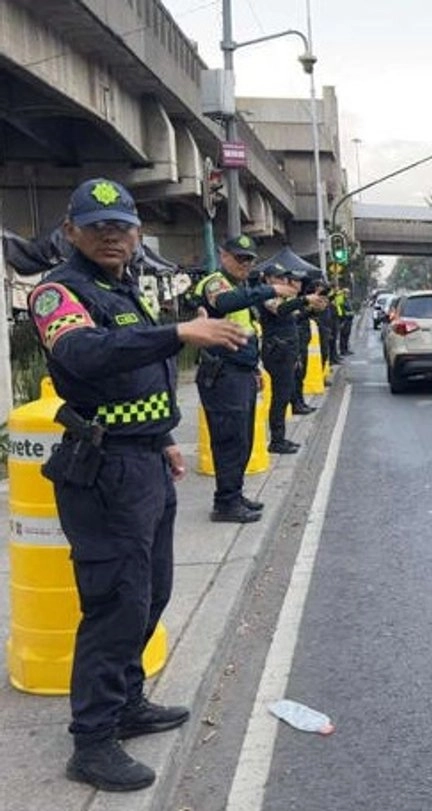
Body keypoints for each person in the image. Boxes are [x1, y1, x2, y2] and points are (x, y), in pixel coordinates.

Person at [28, 178, 248, 792]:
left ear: (136, 234)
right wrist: (180, 334)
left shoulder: (120, 288)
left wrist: (163, 438)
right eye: (97, 226)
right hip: (103, 475)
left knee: (150, 595)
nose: (111, 236)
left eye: (121, 226)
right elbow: (86, 356)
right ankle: (93, 740)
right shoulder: (58, 293)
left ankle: (126, 703)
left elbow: (136, 378)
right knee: (114, 606)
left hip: (145, 460)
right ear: (71, 231)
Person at [193, 235, 295, 523]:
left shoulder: (242, 286)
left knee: (244, 439)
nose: (245, 264)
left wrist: (254, 368)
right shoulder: (216, 282)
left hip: (241, 372)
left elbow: (247, 330)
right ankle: (225, 503)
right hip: (222, 374)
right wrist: (269, 289)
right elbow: (225, 303)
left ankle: (234, 495)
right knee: (229, 441)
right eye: (240, 258)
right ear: (223, 255)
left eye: (250, 259)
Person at [258, 264, 321, 453]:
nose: (284, 281)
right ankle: (277, 440)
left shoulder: (282, 297)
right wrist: (304, 299)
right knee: (280, 396)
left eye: (285, 278)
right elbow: (281, 310)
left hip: (287, 351)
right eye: (279, 277)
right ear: (268, 279)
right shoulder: (265, 295)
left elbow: (293, 318)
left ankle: (280, 438)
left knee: (285, 394)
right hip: (277, 352)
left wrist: (312, 309)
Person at [292, 278, 327, 414]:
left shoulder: (300, 299)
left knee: (301, 374)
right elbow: (296, 318)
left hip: (303, 340)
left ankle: (300, 402)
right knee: (297, 375)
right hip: (297, 340)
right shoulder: (294, 301)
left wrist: (314, 310)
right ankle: (297, 404)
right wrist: (310, 309)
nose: (298, 284)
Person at [332, 285, 354, 356]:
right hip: (344, 320)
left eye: (348, 293)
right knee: (343, 335)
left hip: (349, 320)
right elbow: (342, 311)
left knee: (347, 335)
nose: (348, 294)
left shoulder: (347, 300)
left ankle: (346, 349)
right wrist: (348, 314)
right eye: (346, 293)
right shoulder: (341, 300)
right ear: (343, 293)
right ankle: (343, 350)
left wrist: (351, 313)